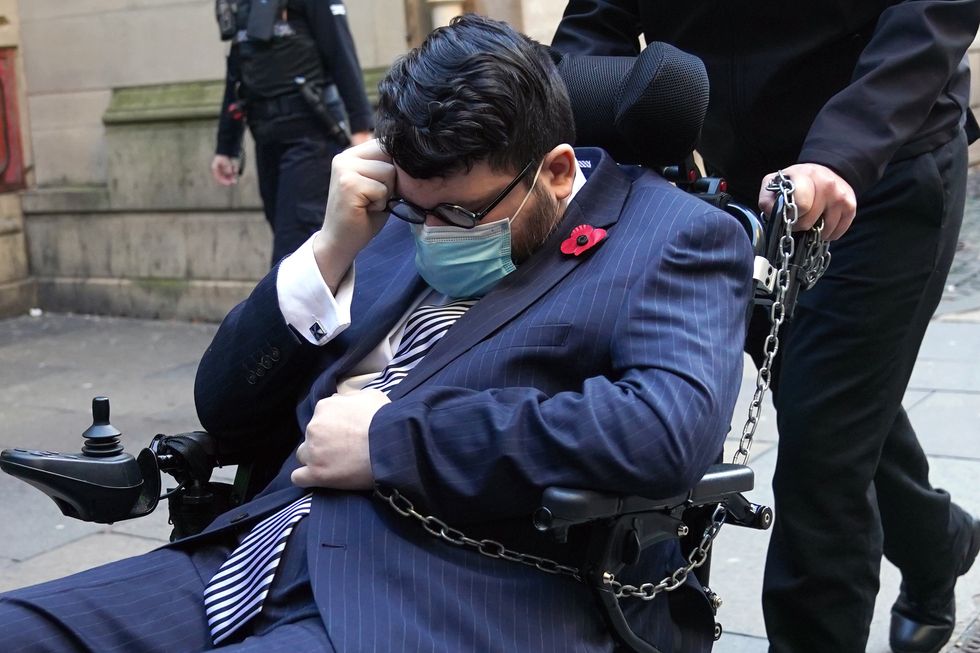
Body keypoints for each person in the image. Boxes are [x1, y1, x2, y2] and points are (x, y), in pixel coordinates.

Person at [0, 15, 753, 652]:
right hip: (247, 553)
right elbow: (223, 406)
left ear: (556, 172)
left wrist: (392, 438)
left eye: (457, 215)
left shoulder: (676, 235)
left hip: (434, 588)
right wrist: (330, 249)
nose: (429, 232)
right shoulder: (392, 211)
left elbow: (663, 428)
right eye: (412, 205)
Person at [551, 2, 980, 653]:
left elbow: (929, 14)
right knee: (831, 403)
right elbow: (596, 27)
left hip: (879, 164)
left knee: (822, 456)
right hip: (735, 176)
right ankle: (937, 539)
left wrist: (842, 151)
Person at [210, 0, 374, 266]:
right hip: (266, 138)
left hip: (310, 137)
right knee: (287, 236)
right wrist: (226, 145)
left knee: (293, 249)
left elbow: (340, 51)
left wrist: (361, 128)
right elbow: (237, 69)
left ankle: (288, 307)